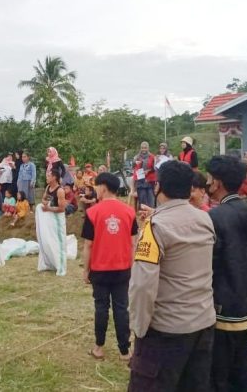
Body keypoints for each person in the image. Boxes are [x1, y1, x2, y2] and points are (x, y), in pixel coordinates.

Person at [128, 161, 216, 391]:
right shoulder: (205, 219)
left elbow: (142, 286)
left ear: (157, 187)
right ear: (190, 189)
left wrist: (138, 329)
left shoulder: (154, 227)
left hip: (166, 331)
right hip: (203, 323)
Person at [206, 155, 247, 392]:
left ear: (217, 183)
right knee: (241, 370)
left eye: (210, 178)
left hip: (222, 309)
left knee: (218, 374)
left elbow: (209, 267)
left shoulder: (216, 218)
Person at [82, 172, 138, 362]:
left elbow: (88, 245)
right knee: (122, 308)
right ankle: (125, 351)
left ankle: (99, 347)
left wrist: (85, 269)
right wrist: (131, 266)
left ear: (103, 187)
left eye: (96, 186)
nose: (95, 189)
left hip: (99, 268)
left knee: (101, 307)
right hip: (122, 268)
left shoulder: (92, 212)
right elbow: (134, 243)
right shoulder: (129, 212)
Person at [36, 170, 68, 276]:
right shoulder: (48, 188)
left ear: (54, 177)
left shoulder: (60, 191)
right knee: (48, 240)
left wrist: (48, 208)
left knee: (59, 242)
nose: (46, 177)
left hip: (58, 219)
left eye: (48, 175)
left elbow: (62, 209)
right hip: (49, 218)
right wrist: (45, 203)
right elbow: (44, 199)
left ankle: (61, 266)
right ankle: (50, 262)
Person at [132, 141, 157, 208]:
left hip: (150, 181)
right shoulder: (136, 157)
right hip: (140, 182)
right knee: (142, 202)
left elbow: (155, 168)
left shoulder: (152, 157)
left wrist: (148, 171)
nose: (144, 149)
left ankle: (151, 217)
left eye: (145, 148)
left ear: (148, 148)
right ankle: (143, 217)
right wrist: (135, 163)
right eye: (142, 148)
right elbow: (133, 168)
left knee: (151, 201)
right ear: (140, 148)